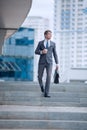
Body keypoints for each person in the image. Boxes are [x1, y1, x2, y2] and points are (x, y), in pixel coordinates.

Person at [35, 30, 58, 97]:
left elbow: (55, 54)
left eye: (51, 34)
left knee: (49, 76)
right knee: (39, 76)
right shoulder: (40, 43)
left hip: (49, 63)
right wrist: (42, 52)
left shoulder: (53, 44)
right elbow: (36, 51)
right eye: (49, 34)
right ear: (45, 35)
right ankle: (42, 86)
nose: (50, 36)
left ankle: (46, 93)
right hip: (41, 62)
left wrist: (57, 63)